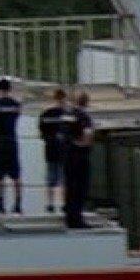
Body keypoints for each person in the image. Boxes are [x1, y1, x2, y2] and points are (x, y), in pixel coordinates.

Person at [0, 77, 23, 215]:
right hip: (12, 139)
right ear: (10, 89)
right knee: (16, 173)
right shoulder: (15, 104)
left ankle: (0, 202)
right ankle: (18, 203)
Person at [62, 89, 96, 230]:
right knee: (80, 188)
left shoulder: (67, 115)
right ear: (86, 102)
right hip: (80, 155)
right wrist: (82, 145)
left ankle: (69, 216)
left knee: (70, 186)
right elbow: (87, 136)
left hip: (68, 155)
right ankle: (77, 219)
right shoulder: (84, 116)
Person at [38, 85, 73, 215]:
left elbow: (41, 134)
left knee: (51, 178)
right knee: (63, 178)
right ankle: (64, 204)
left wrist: (49, 138)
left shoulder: (46, 114)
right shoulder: (68, 115)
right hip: (64, 151)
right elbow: (72, 133)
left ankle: (50, 204)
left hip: (50, 150)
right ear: (64, 98)